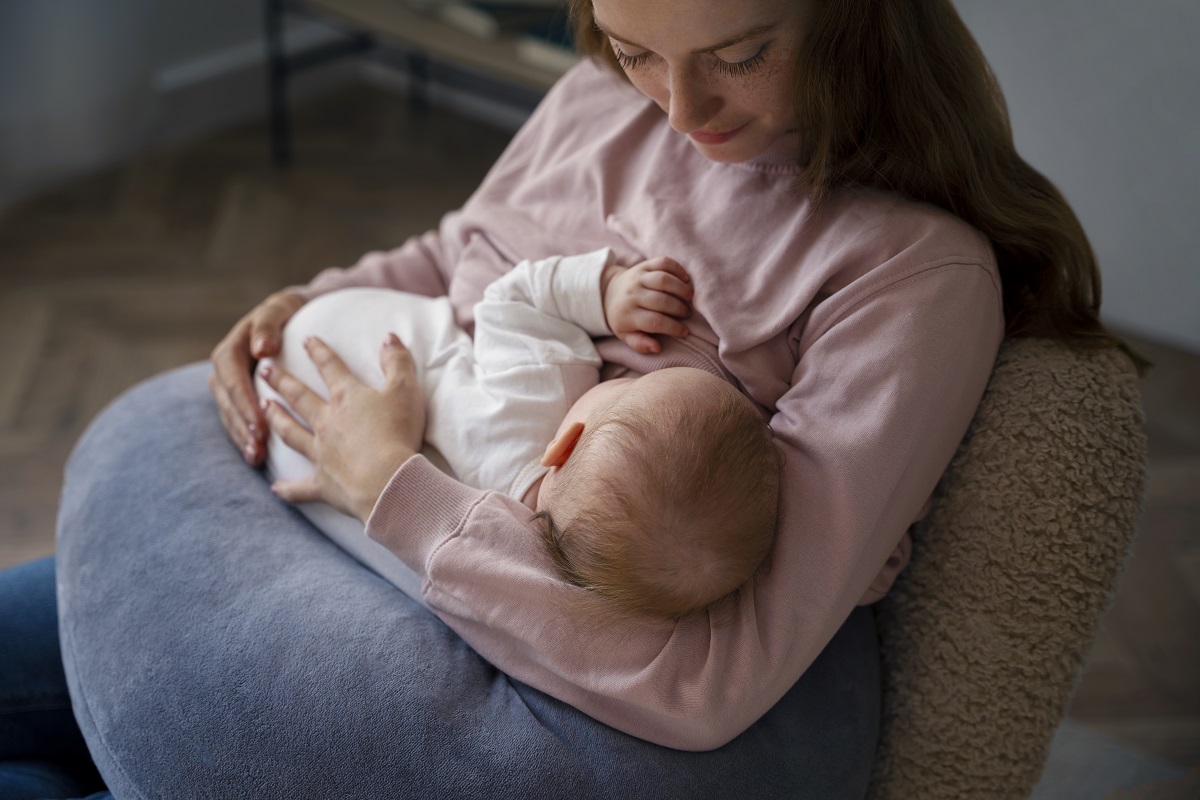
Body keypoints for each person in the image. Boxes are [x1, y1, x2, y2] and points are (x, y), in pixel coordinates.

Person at [2, 0, 1141, 795]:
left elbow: (715, 677)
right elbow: (458, 253)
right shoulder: (603, 101)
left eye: (738, 52)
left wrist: (386, 484)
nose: (679, 107)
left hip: (466, 592)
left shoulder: (909, 276)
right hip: (340, 524)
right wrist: (309, 304)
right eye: (637, 46)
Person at [258, 249, 780, 619]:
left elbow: (511, 299)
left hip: (328, 342)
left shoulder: (541, 392)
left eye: (632, 387)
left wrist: (604, 293)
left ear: (564, 442)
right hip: (304, 461)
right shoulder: (504, 550)